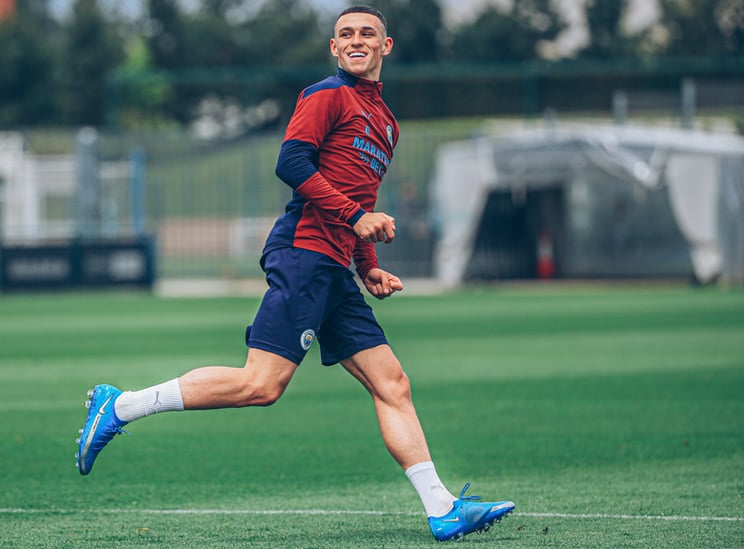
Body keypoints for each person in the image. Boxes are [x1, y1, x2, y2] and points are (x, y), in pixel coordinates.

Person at [76, 6, 514, 542]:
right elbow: (291, 163)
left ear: (386, 46)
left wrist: (369, 266)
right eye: (346, 34)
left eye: (367, 34)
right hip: (305, 254)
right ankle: (120, 406)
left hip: (336, 267)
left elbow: (360, 197)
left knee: (392, 382)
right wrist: (357, 220)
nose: (356, 40)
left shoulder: (387, 124)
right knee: (261, 384)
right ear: (334, 48)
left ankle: (442, 508)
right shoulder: (325, 94)